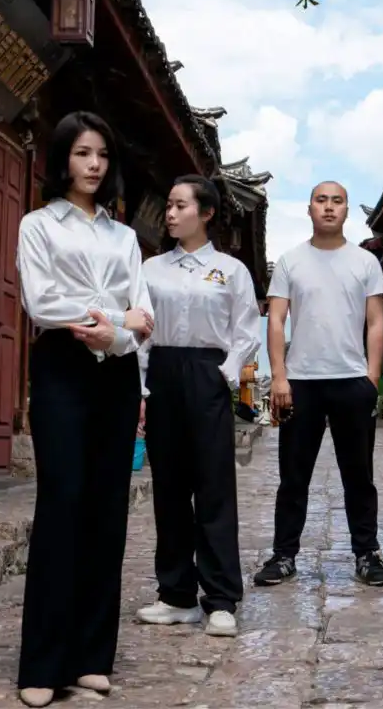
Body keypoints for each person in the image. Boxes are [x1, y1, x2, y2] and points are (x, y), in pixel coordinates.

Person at [15, 111, 154, 709]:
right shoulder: (38, 225)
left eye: (101, 154)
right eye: (82, 153)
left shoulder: (125, 238)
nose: (94, 165)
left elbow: (145, 314)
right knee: (62, 502)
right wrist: (113, 320)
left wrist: (117, 334)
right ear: (62, 159)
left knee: (107, 508)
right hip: (62, 369)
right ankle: (43, 663)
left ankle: (93, 656)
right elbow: (41, 301)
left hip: (115, 372)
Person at [135, 175, 261, 638]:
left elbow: (246, 329)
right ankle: (177, 596)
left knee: (213, 486)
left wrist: (225, 373)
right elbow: (140, 331)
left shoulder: (231, 270)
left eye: (180, 206)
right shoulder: (151, 270)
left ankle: (222, 598)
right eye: (168, 205)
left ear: (206, 213)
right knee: (168, 488)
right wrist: (141, 388)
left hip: (208, 372)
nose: (170, 214)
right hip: (163, 371)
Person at [253, 181, 383, 587]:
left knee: (359, 475)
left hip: (352, 381)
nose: (329, 207)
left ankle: (367, 554)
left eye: (337, 201)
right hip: (301, 382)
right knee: (293, 476)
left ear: (347, 210)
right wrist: (279, 376)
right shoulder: (291, 261)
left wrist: (371, 379)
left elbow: (376, 323)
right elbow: (277, 320)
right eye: (321, 200)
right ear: (309, 208)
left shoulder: (365, 263)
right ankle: (283, 555)